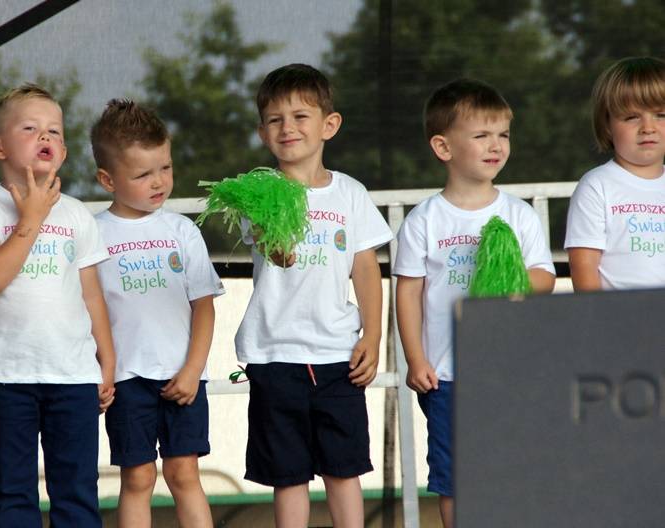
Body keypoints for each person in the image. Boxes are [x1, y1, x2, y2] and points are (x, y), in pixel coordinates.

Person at [0, 83, 116, 527]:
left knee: (77, 490)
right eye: (30, 128)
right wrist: (33, 217)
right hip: (10, 375)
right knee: (13, 491)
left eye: (55, 131)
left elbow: (91, 293)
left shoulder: (77, 213)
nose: (45, 136)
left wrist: (107, 360)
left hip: (74, 375)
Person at [235, 63, 392, 528]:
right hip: (275, 353)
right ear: (263, 132)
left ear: (329, 124)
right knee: (289, 474)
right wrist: (278, 247)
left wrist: (372, 335)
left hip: (337, 355)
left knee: (344, 468)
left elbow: (365, 268)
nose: (288, 128)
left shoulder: (350, 193)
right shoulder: (258, 191)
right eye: (275, 119)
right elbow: (269, 246)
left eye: (301, 116)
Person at [394, 78, 556, 528]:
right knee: (456, 479)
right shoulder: (424, 220)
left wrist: (508, 280)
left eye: (503, 134)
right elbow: (407, 291)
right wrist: (415, 359)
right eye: (481, 135)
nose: (496, 145)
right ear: (443, 147)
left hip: (511, 372)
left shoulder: (518, 213)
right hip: (447, 375)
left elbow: (545, 277)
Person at [91, 99, 224, 528]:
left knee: (184, 473)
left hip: (183, 375)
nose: (159, 181)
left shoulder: (182, 229)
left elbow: (203, 306)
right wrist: (102, 372)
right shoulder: (93, 233)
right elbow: (88, 312)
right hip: (126, 380)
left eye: (165, 167)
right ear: (107, 179)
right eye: (142, 174)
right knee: (138, 477)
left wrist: (193, 370)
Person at [566, 56, 665, 291]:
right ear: (607, 125)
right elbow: (583, 266)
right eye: (632, 117)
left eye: (661, 115)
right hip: (620, 312)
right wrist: (597, 312)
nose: (648, 127)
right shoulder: (596, 185)